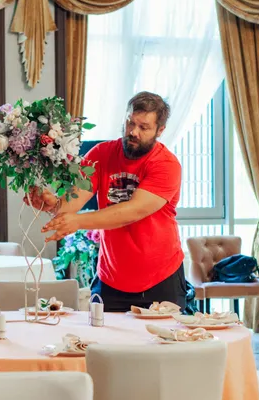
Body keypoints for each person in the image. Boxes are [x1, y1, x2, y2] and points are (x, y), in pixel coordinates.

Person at [28, 91, 186, 312]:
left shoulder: (166, 164)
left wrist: (77, 222)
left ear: (160, 131)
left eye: (143, 127)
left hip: (160, 279)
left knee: (161, 336)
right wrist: (52, 204)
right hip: (110, 278)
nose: (133, 132)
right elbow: (72, 202)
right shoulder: (101, 154)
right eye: (130, 123)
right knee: (100, 335)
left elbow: (132, 211)